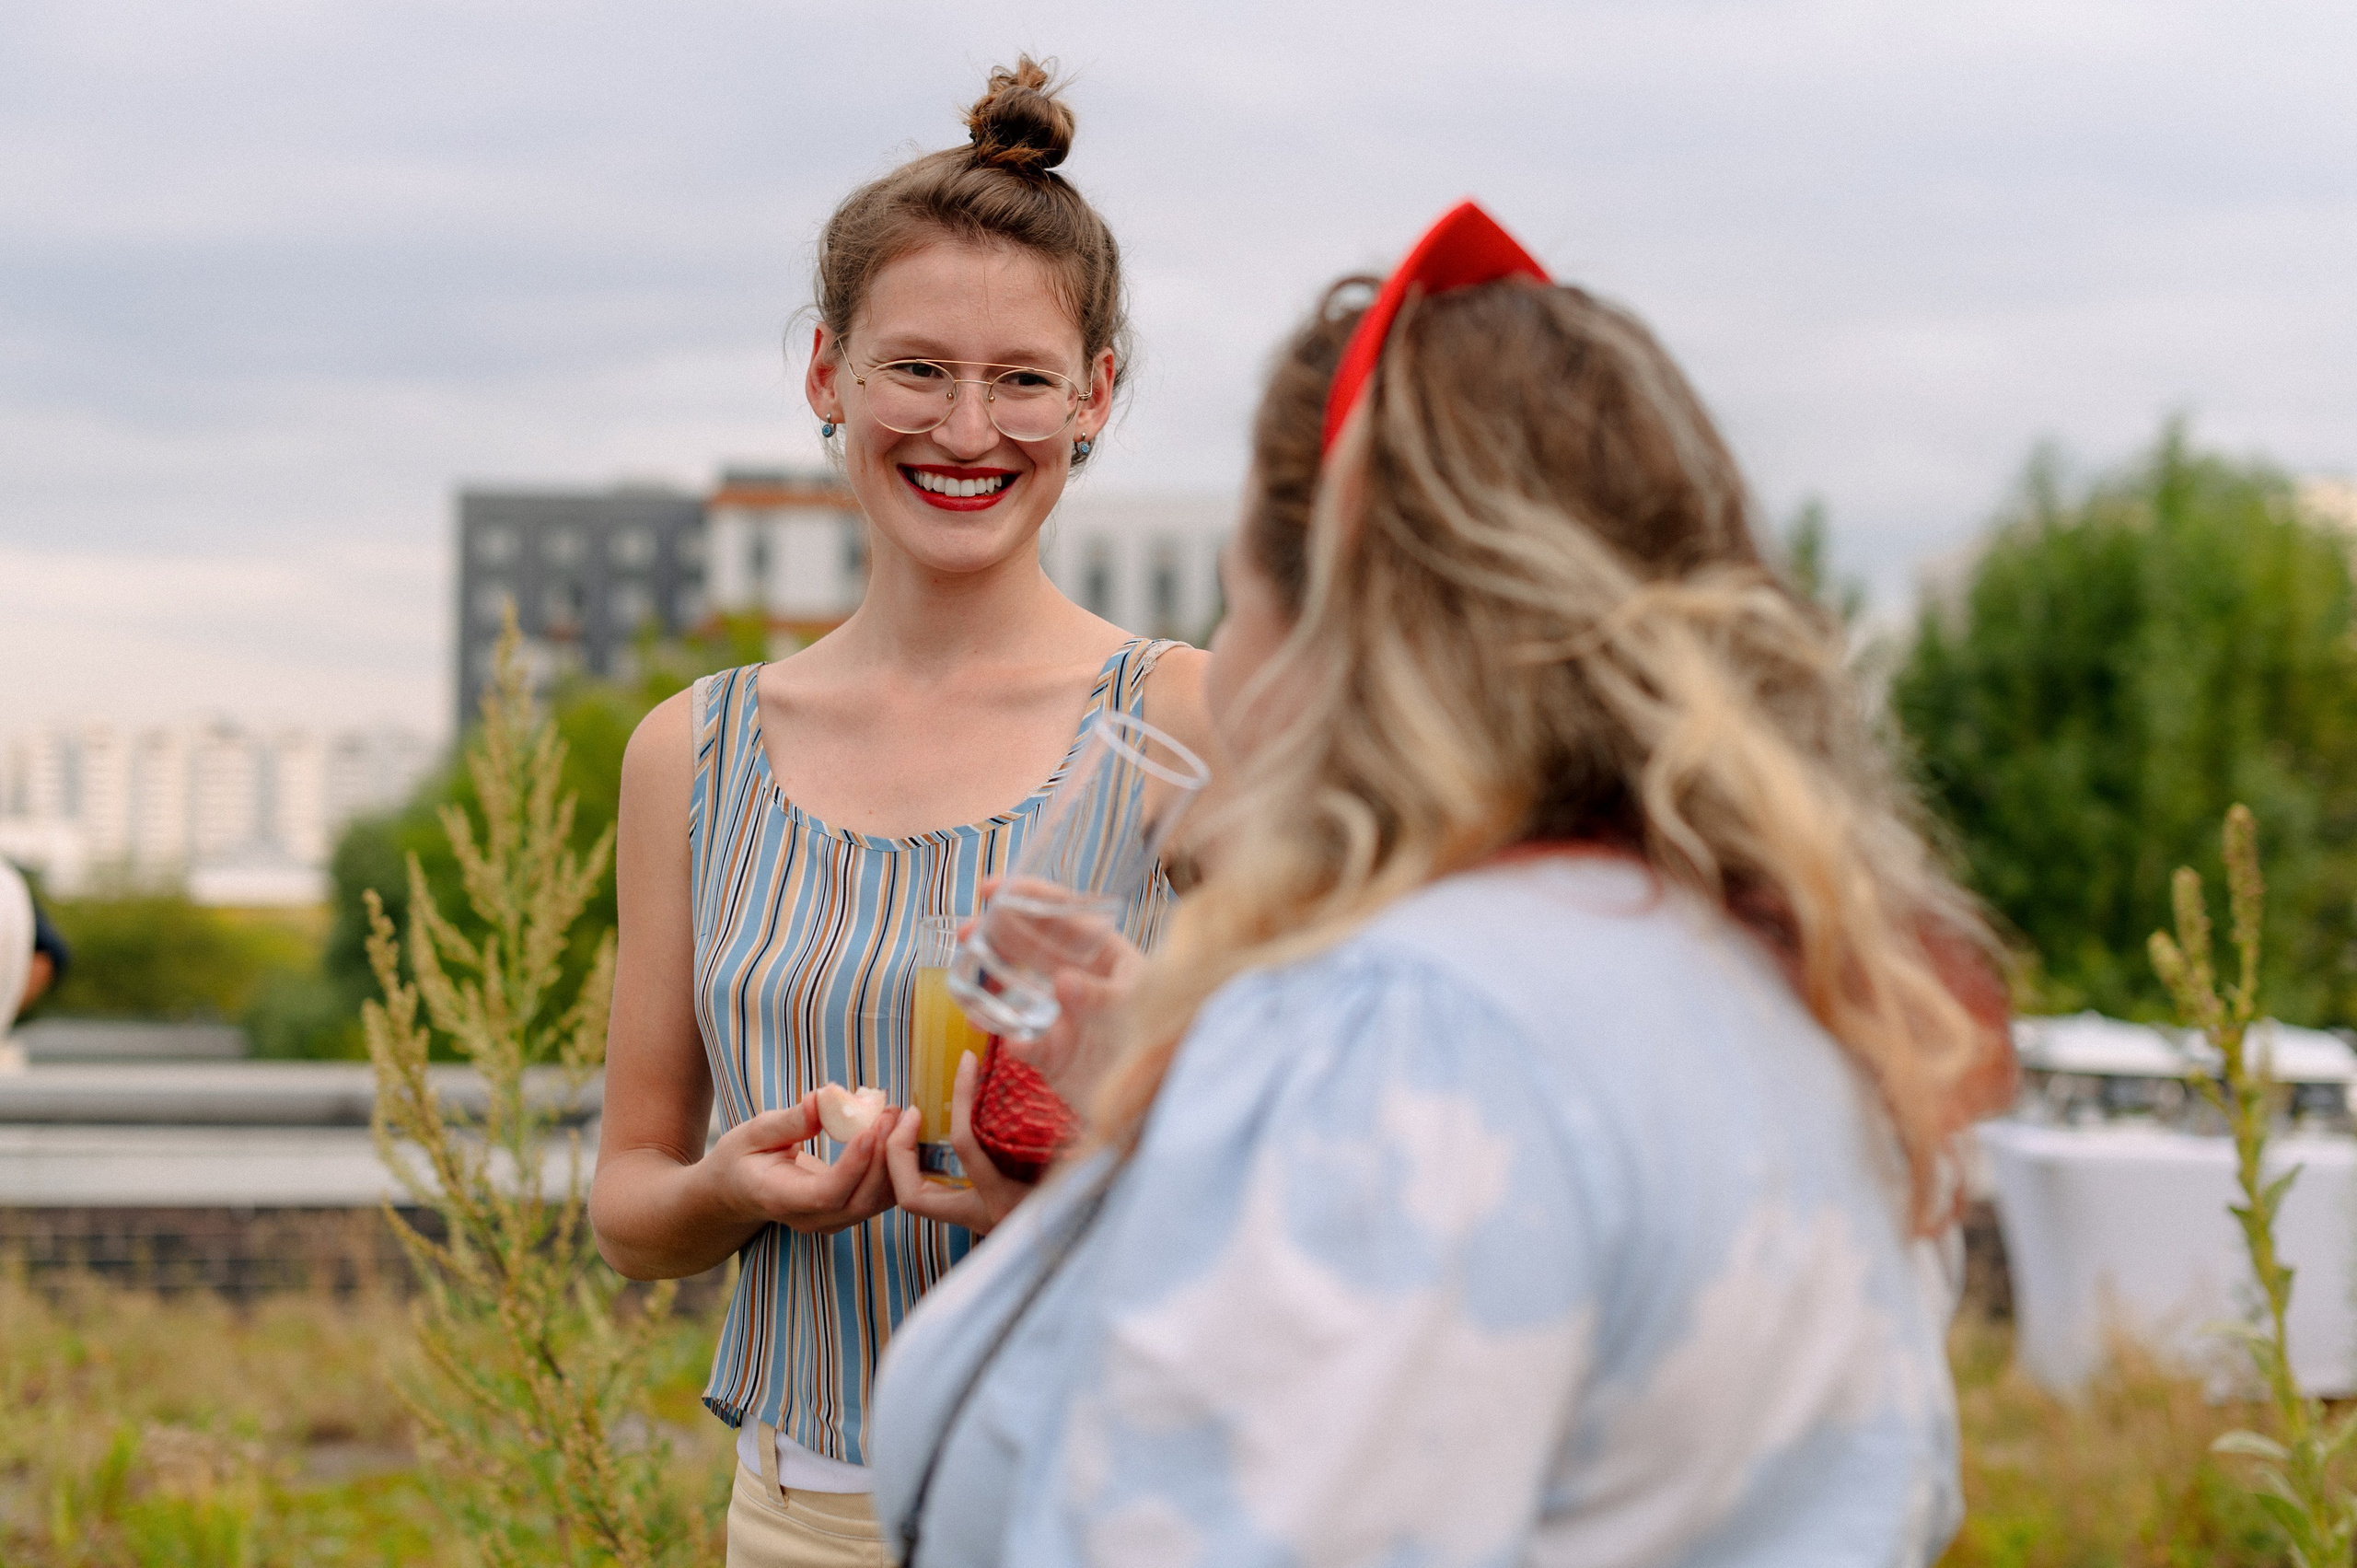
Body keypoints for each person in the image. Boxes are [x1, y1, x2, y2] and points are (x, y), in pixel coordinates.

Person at [869, 203, 2014, 1566]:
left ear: (1336, 632)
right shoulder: (1796, 990)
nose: (1221, 669)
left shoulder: (1410, 1037)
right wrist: (1175, 1111)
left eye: (1237, 600)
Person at [586, 57, 1210, 1568]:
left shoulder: (1186, 722)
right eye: (915, 368)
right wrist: (731, 1194)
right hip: (803, 1519)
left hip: (1106, 1508)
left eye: (1024, 380)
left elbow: (1311, 1163)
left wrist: (1081, 1192)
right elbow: (628, 1200)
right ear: (826, 375)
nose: (967, 430)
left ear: (1096, 398)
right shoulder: (694, 751)